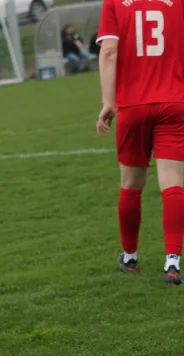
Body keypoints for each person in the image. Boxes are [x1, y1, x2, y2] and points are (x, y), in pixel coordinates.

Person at [95, 0, 184, 284]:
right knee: (172, 181)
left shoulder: (115, 3)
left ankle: (130, 257)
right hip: (174, 102)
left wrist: (108, 103)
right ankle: (172, 261)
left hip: (133, 105)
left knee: (131, 184)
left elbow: (109, 51)